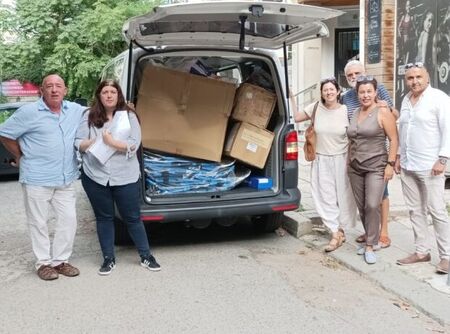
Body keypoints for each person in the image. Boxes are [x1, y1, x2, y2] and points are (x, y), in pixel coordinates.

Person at [0, 74, 83, 281]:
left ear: (66, 90)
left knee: (69, 220)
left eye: (58, 86)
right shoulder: (28, 112)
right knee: (38, 222)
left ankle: (60, 261)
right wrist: (19, 155)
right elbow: (5, 133)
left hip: (65, 178)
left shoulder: (74, 110)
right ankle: (44, 263)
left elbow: (101, 112)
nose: (54, 90)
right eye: (49, 86)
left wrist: (128, 109)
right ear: (41, 91)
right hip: (37, 177)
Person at [75, 80, 160, 275]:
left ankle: (146, 256)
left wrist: (111, 142)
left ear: (118, 95)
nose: (109, 95)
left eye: (113, 91)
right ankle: (108, 259)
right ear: (99, 95)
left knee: (132, 218)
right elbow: (78, 142)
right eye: (105, 92)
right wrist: (94, 142)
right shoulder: (88, 116)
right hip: (95, 175)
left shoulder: (129, 116)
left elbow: (134, 143)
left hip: (126, 176)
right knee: (104, 218)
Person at [395, 63, 450, 274]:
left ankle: (446, 256)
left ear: (427, 78)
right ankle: (421, 251)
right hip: (409, 164)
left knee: (436, 211)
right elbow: (403, 129)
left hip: (431, 166)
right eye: (410, 78)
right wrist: (399, 156)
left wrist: (443, 159)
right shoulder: (406, 100)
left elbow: (448, 129)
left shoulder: (439, 99)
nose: (414, 81)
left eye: (418, 77)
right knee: (415, 210)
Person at [294, 78, 356, 252]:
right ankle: (335, 233)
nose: (328, 92)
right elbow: (297, 118)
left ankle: (341, 229)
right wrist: (291, 97)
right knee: (324, 195)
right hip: (321, 158)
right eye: (325, 90)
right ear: (321, 93)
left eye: (331, 89)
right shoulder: (315, 108)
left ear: (338, 91)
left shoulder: (346, 110)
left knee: (344, 196)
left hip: (342, 158)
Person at [342, 60, 398, 249]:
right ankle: (369, 234)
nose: (354, 77)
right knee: (364, 204)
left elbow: (393, 132)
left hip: (376, 160)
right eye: (350, 75)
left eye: (357, 73)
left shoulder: (380, 98)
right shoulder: (348, 100)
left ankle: (380, 235)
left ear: (374, 92)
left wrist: (391, 163)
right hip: (356, 161)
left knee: (375, 201)